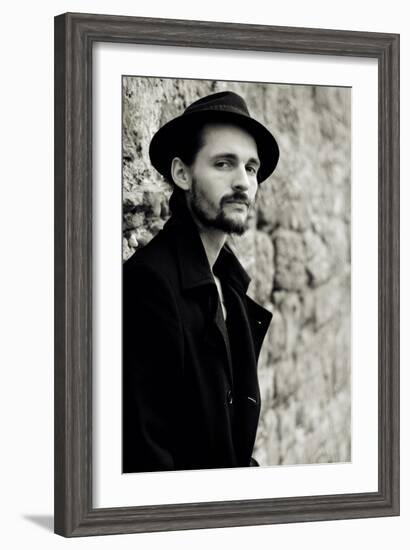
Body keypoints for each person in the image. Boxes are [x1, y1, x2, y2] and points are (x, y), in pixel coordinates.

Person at [122, 91, 280, 473]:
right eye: (224, 163)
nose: (243, 182)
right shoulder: (149, 284)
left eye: (251, 168)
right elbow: (147, 457)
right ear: (182, 173)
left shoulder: (228, 282)